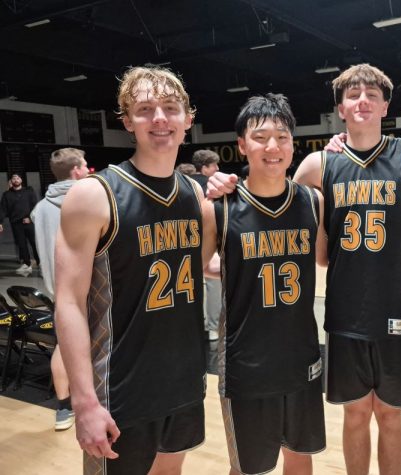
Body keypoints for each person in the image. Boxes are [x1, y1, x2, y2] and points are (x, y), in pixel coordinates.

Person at [208, 63, 401, 475]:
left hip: (398, 312)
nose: (362, 101)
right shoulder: (317, 166)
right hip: (344, 317)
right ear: (339, 109)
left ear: (386, 106)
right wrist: (223, 185)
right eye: (353, 95)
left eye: (372, 95)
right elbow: (278, 206)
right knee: (355, 414)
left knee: (391, 415)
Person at [54, 66, 207, 475]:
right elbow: (68, 302)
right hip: (119, 389)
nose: (159, 118)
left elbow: (203, 267)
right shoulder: (94, 194)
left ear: (188, 118)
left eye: (170, 107)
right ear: (126, 121)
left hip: (184, 380)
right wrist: (83, 402)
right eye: (145, 109)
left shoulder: (194, 194)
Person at [202, 93, 328, 475]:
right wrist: (231, 269)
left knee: (300, 456)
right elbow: (197, 266)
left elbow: (324, 258)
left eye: (282, 137)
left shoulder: (313, 202)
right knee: (248, 468)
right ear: (242, 145)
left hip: (301, 355)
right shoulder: (219, 206)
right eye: (260, 137)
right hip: (246, 362)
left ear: (292, 144)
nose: (273, 146)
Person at [30, 147, 89, 431]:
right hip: (88, 286)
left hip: (56, 288)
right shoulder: (86, 200)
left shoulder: (40, 206)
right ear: (76, 171)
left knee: (64, 346)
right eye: (85, 165)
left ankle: (64, 408)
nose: (88, 169)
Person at [190, 149, 222, 340]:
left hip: (186, 239)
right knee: (213, 283)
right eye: (214, 165)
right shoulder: (211, 186)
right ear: (204, 168)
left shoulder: (184, 182)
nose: (217, 168)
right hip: (207, 238)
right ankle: (213, 327)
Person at [0, 173, 40, 275]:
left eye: (18, 178)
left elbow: (35, 206)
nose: (16, 179)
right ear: (10, 181)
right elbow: (3, 209)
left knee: (35, 243)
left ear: (21, 180)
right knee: (21, 244)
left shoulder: (28, 192)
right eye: (13, 178)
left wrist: (30, 218)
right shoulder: (6, 195)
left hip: (29, 222)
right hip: (16, 223)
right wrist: (0, 222)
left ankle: (40, 262)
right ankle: (27, 264)